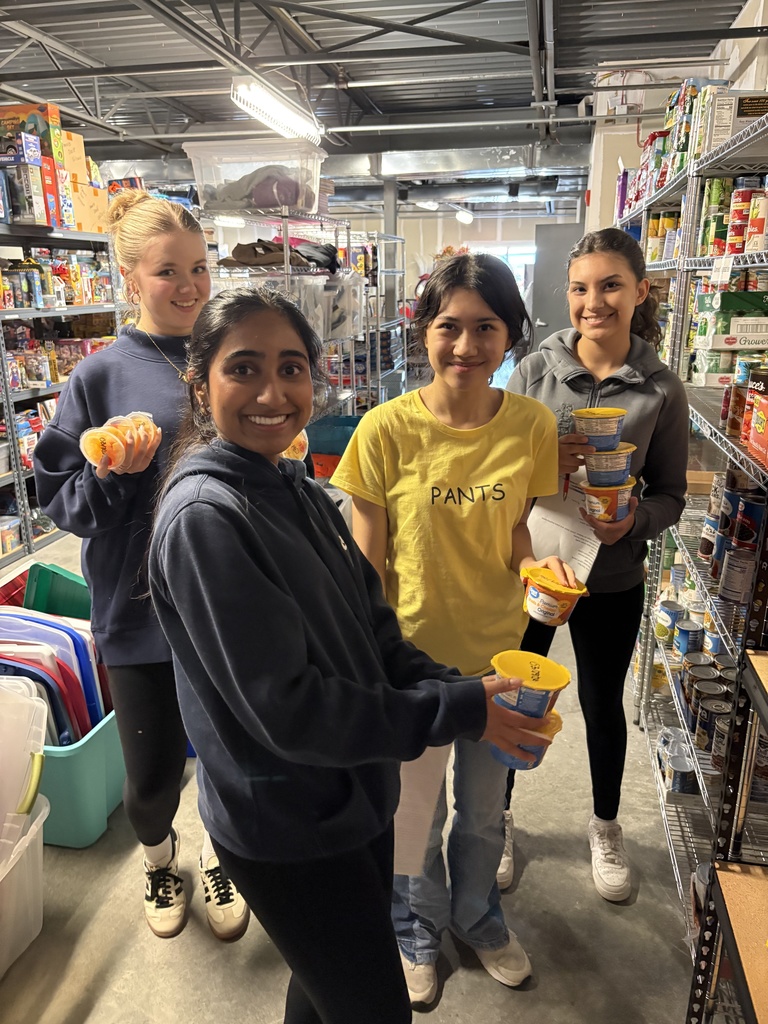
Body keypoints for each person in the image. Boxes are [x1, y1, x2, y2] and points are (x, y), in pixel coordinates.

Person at [146, 286, 554, 1024]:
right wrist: (458, 707)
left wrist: (469, 694)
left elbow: (373, 629)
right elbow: (292, 711)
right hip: (288, 826)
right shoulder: (208, 519)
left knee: (323, 987)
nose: (273, 392)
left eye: (291, 367)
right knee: (371, 1006)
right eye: (244, 368)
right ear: (199, 381)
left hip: (349, 799)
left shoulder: (292, 486)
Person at [332, 253, 573, 1005]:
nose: (466, 347)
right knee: (417, 814)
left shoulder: (533, 426)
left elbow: (521, 542)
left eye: (485, 328)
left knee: (481, 812)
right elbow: (364, 568)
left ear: (511, 337)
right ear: (422, 333)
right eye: (448, 327)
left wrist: (546, 584)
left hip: (502, 661)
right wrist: (370, 664)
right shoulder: (383, 430)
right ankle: (416, 928)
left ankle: (478, 916)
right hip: (411, 666)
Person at [34, 190, 249, 941]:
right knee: (152, 774)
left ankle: (226, 850)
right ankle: (160, 860)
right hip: (137, 606)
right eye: (168, 272)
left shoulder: (228, 353)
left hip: (225, 601)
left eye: (199, 267)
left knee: (229, 755)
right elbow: (59, 498)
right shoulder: (99, 375)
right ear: (130, 279)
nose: (190, 286)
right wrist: (112, 471)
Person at [505, 226, 688, 903]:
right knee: (519, 697)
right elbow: (503, 468)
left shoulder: (661, 390)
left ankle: (606, 825)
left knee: (600, 702)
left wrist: (633, 521)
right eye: (581, 288)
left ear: (640, 291)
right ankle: (497, 819)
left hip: (612, 575)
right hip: (538, 568)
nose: (594, 302)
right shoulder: (535, 371)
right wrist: (538, 469)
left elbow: (671, 490)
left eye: (611, 285)